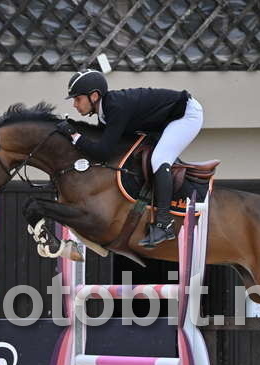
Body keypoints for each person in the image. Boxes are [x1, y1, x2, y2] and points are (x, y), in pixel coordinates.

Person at [58, 69, 204, 248]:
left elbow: (102, 152)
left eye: (77, 99)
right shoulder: (105, 114)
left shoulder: (115, 108)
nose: (74, 105)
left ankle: (164, 224)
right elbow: (102, 148)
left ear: (94, 96)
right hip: (164, 121)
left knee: (159, 159)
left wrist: (74, 135)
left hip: (186, 115)